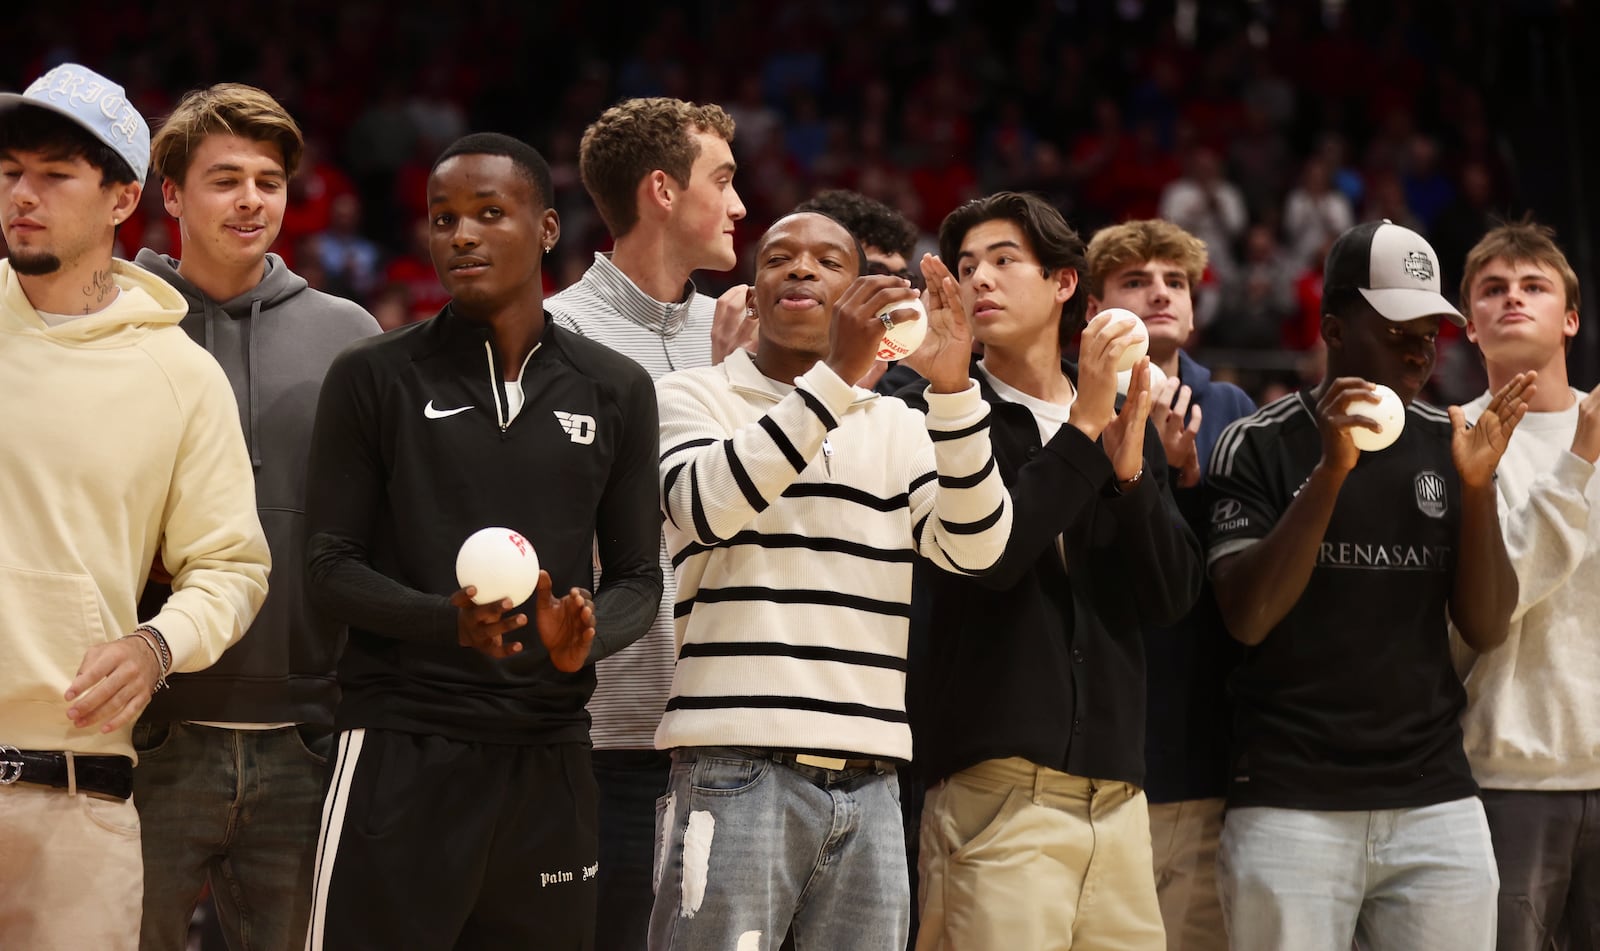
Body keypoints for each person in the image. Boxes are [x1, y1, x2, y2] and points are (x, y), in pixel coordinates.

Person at [302, 132, 662, 948]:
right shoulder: (373, 376)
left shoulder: (617, 389)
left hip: (551, 753)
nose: (461, 234)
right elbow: (327, 568)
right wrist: (445, 620)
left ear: (544, 229)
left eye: (489, 213)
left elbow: (641, 574)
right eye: (443, 218)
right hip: (401, 742)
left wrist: (591, 634)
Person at [649, 211, 1012, 949]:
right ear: (752, 295)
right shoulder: (691, 397)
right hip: (733, 765)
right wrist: (837, 378)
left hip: (874, 778)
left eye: (827, 260)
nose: (802, 268)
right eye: (779, 256)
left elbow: (977, 550)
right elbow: (706, 506)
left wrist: (952, 392)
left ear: (861, 296)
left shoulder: (901, 424)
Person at [0, 63, 270, 950]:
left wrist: (159, 644)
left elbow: (233, 566)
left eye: (54, 174)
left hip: (78, 797)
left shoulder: (180, 375)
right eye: (10, 173)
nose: (23, 195)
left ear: (121, 199)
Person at [1206, 219, 1529, 951]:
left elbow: (1486, 625)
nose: (1420, 348)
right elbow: (1248, 616)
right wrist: (1331, 472)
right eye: (1396, 327)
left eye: (1431, 331)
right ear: (1334, 329)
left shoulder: (1452, 446)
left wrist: (1477, 488)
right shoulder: (1260, 443)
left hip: (1435, 798)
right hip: (1290, 802)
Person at [904, 193, 1202, 950]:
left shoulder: (1117, 407)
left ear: (1065, 283)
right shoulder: (933, 407)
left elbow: (1170, 597)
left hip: (1120, 799)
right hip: (995, 793)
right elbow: (993, 560)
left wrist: (1132, 478)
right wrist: (1084, 425)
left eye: (1004, 261)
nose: (981, 281)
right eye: (966, 267)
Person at [129, 83, 380, 951]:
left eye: (268, 181)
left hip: (306, 733)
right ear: (170, 194)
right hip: (149, 730)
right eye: (224, 179)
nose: (250, 201)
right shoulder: (119, 323)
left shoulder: (349, 332)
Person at [544, 96, 746, 951]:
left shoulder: (745, 332)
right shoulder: (551, 336)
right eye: (724, 181)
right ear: (662, 190)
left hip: (735, 738)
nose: (740, 206)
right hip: (603, 740)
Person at [1084, 218, 1256, 951]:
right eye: (1134, 280)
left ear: (1193, 305)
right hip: (1095, 738)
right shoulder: (1070, 405)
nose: (1159, 292)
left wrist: (1186, 480)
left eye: (1174, 281)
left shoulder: (1234, 412)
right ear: (1093, 309)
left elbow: (1235, 578)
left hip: (1195, 733)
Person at [1455, 220, 1600, 951]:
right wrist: (1578, 462)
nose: (1513, 298)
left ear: (1569, 317)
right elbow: (1491, 603)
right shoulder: (1451, 439)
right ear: (1471, 325)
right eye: (1493, 289)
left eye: (1534, 286)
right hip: (1506, 773)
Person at [794, 188, 926, 395]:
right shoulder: (779, 354)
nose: (892, 288)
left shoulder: (907, 358)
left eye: (903, 277)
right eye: (876, 272)